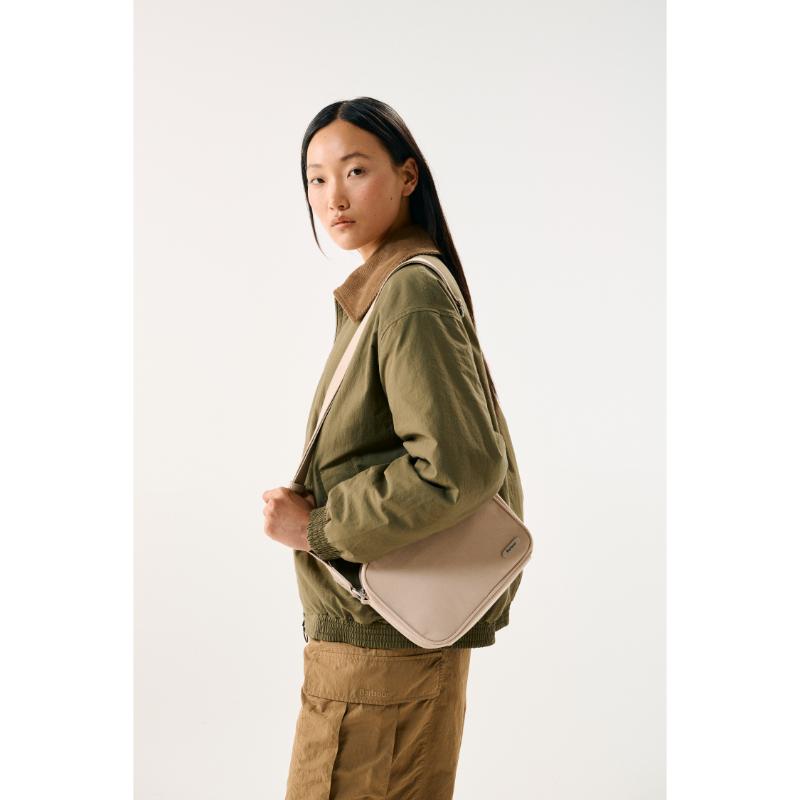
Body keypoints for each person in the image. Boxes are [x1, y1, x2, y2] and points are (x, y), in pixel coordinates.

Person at [261, 97, 525, 800]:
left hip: (379, 653)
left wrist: (318, 528)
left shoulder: (408, 293)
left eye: (355, 171)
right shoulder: (391, 290)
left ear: (408, 177)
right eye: (317, 178)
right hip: (385, 638)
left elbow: (458, 468)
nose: (333, 197)